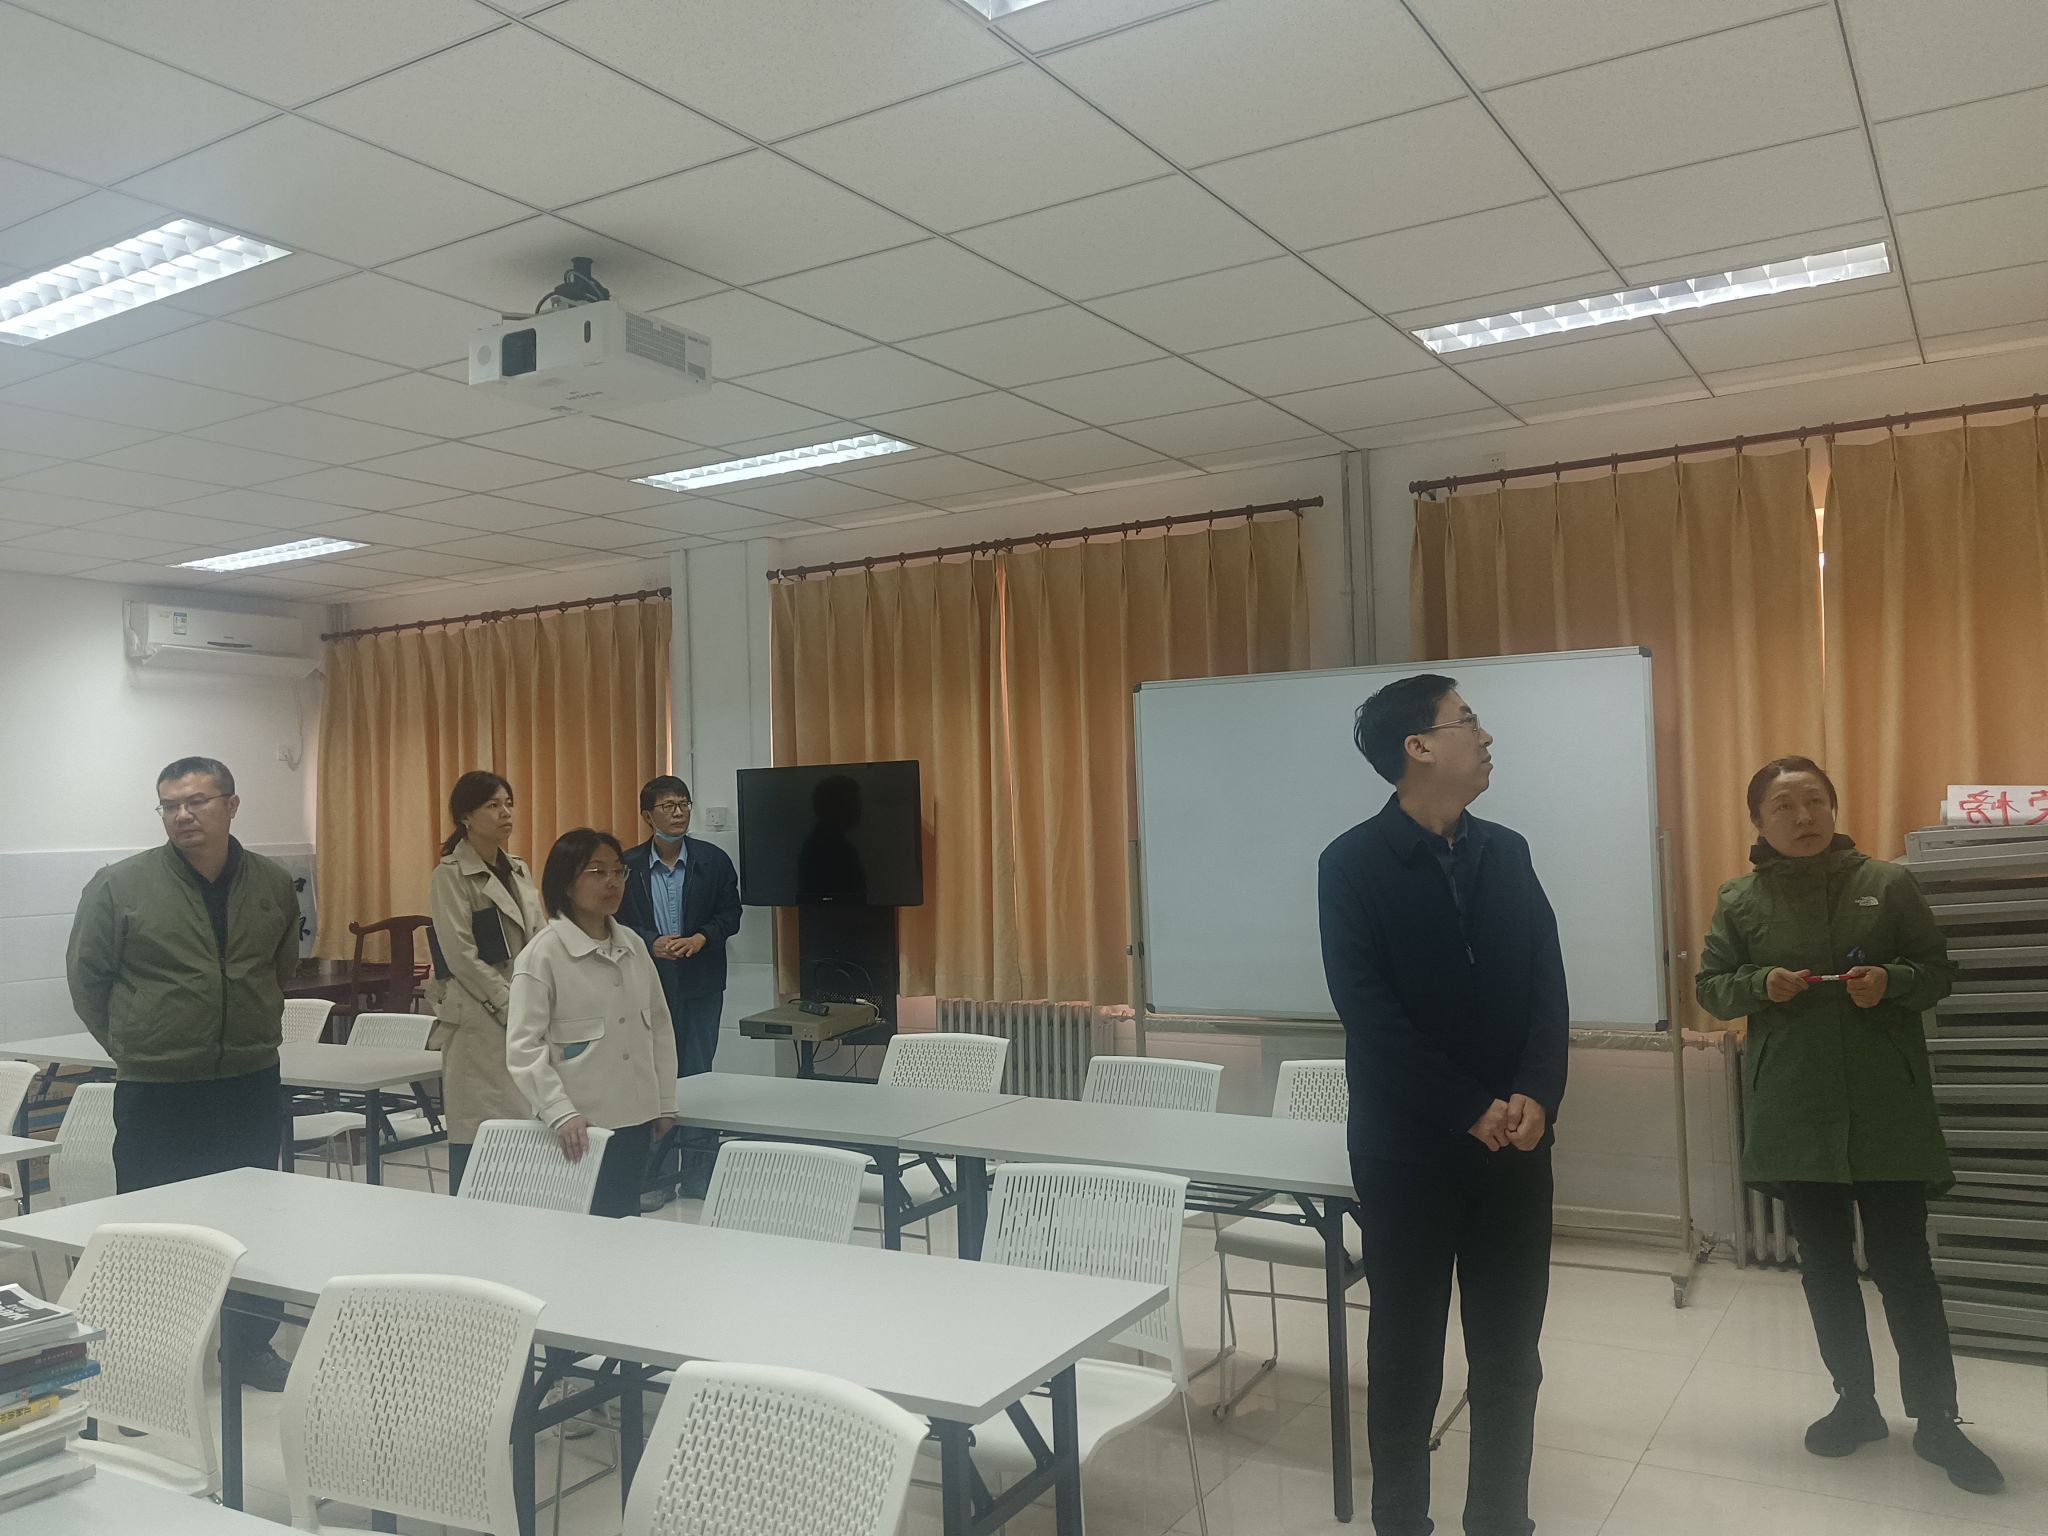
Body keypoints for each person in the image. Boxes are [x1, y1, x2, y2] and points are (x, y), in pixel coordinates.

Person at [1696, 757, 2002, 1494]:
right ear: (1758, 821)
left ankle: (1937, 1419)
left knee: (1906, 1269)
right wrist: (1757, 985)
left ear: (1833, 808)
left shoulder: (1887, 884)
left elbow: (1937, 971)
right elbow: (1711, 988)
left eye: (1814, 801)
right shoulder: (1740, 898)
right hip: (1796, 1113)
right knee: (1826, 1268)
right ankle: (1855, 1404)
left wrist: (1893, 981)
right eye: (1783, 805)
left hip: (1885, 1111)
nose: (1802, 816)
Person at [1318, 675, 1567, 1536]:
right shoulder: (1351, 864)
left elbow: (1546, 988)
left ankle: (1501, 1520)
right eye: (1468, 721)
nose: (1485, 736)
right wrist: (1467, 1105)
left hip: (1515, 1147)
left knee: (1510, 1354)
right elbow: (1368, 1011)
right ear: (1417, 747)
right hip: (1407, 1151)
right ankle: (1401, 1523)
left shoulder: (1509, 852)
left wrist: (1537, 1091)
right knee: (1407, 1352)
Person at [64, 756, 301, 1392]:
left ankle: (248, 1347)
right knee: (151, 1228)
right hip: (158, 1087)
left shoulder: (272, 883)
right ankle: (146, 1363)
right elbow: (88, 980)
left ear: (231, 805)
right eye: (170, 805)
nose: (183, 815)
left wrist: (248, 1025)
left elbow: (280, 968)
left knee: (254, 1223)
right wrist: (135, 1043)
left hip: (248, 1079)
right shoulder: (120, 885)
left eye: (197, 801)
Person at [506, 828, 678, 1218]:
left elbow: (660, 1028)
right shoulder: (543, 955)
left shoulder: (633, 945)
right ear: (567, 883)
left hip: (636, 1116)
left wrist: (665, 1101)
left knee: (624, 1221)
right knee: (580, 1229)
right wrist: (560, 1111)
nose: (612, 882)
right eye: (597, 872)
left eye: (618, 871)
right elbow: (523, 1048)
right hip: (577, 1126)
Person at [619, 776, 742, 1208]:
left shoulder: (713, 860)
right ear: (647, 815)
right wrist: (649, 941)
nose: (678, 812)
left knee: (699, 1075)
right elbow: (614, 923)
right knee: (655, 1077)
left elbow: (731, 914)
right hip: (648, 986)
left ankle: (698, 1174)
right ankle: (654, 1177)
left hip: (702, 983)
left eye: (684, 804)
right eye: (668, 806)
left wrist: (701, 938)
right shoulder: (627, 866)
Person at [426, 770, 545, 1196]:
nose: (505, 813)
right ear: (466, 817)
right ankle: (472, 1222)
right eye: (493, 806)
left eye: (508, 803)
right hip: (479, 1016)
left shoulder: (518, 868)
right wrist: (511, 1004)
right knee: (481, 1130)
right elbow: (460, 955)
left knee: (524, 1128)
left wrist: (540, 997)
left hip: (524, 1011)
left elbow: (539, 938)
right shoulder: (451, 875)